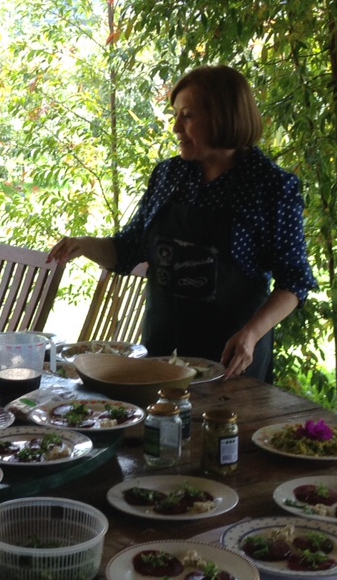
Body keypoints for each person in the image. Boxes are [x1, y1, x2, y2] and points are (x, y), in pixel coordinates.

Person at [47, 66, 318, 381]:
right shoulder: (169, 175)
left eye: (187, 116)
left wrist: (252, 334)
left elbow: (294, 283)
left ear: (223, 117)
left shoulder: (271, 186)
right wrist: (83, 245)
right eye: (176, 115)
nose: (176, 127)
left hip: (232, 362)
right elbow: (128, 250)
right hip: (161, 355)